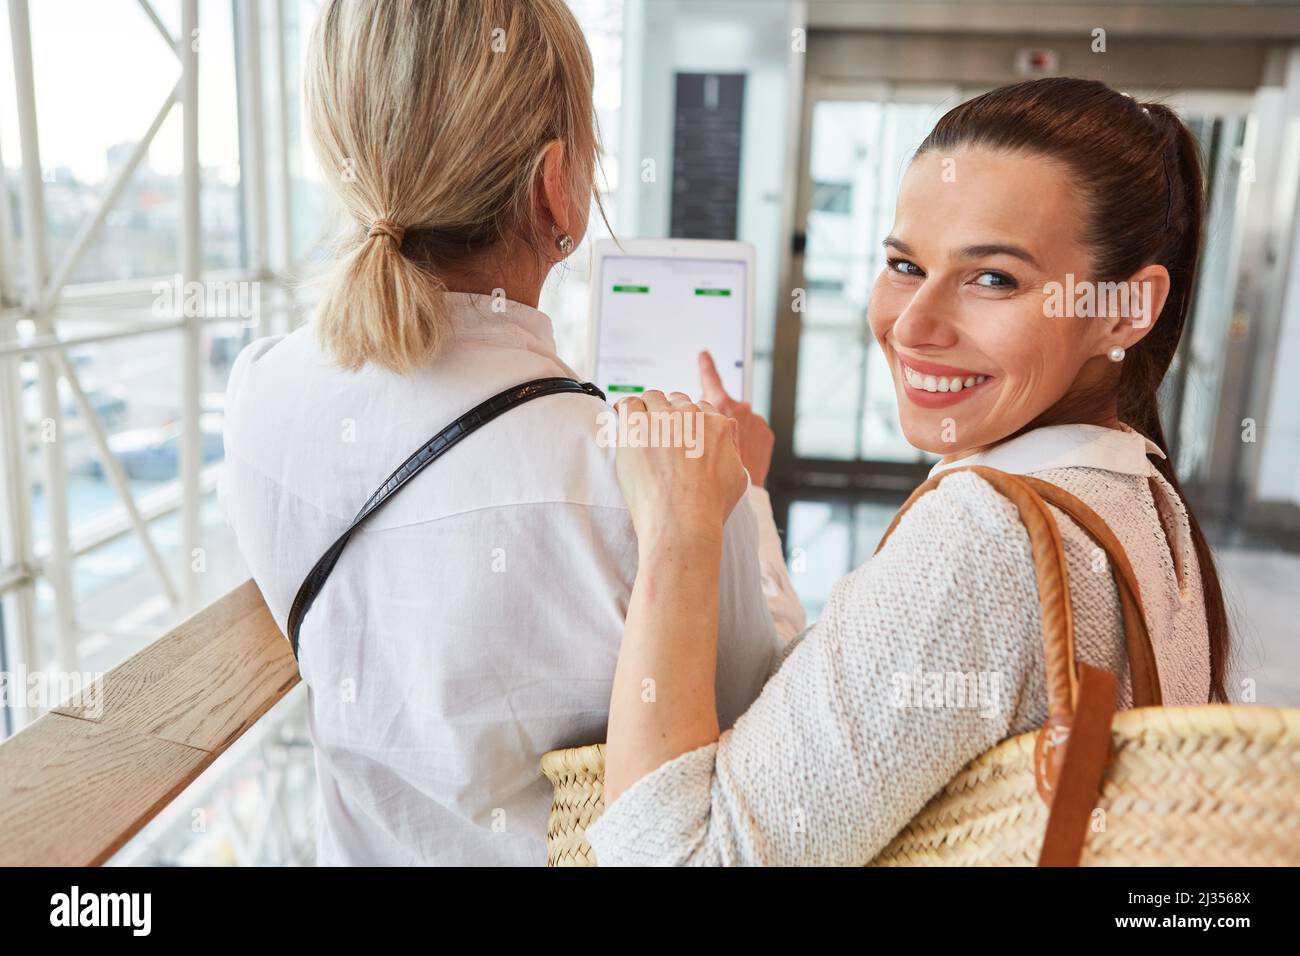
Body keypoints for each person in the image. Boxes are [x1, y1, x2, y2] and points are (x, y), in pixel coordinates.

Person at [218, 0, 802, 866]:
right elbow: (763, 736)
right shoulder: (651, 497)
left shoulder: (258, 396)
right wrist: (743, 493)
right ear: (554, 185)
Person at [587, 77, 1226, 866]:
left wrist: (680, 529)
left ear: (1127, 309)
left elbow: (676, 860)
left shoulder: (985, 538)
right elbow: (837, 720)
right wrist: (748, 496)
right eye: (903, 264)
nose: (915, 325)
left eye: (994, 278)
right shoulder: (1143, 497)